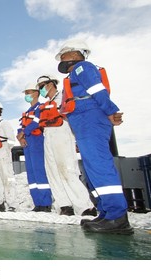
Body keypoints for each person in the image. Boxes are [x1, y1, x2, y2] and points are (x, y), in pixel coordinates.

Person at [55, 39, 132, 234]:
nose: (61, 60)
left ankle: (117, 217)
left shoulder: (82, 67)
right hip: (82, 122)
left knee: (99, 165)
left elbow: (97, 90)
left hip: (91, 117)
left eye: (63, 55)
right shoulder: (75, 73)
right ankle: (105, 212)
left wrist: (110, 111)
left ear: (74, 54)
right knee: (91, 170)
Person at [36, 74, 97, 216]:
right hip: (48, 136)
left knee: (67, 170)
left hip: (62, 134)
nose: (41, 90)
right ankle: (64, 205)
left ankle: (85, 207)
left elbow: (72, 116)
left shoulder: (63, 98)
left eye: (42, 86)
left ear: (51, 84)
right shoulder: (45, 105)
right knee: (53, 172)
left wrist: (76, 139)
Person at [16, 84, 52, 212]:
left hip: (37, 141)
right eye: (25, 93)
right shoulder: (25, 112)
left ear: (36, 93)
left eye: (29, 92)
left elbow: (37, 122)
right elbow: (20, 126)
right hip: (27, 143)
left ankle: (46, 203)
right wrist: (21, 137)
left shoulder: (40, 108)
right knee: (31, 174)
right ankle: (37, 203)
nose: (26, 95)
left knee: (39, 171)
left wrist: (23, 132)